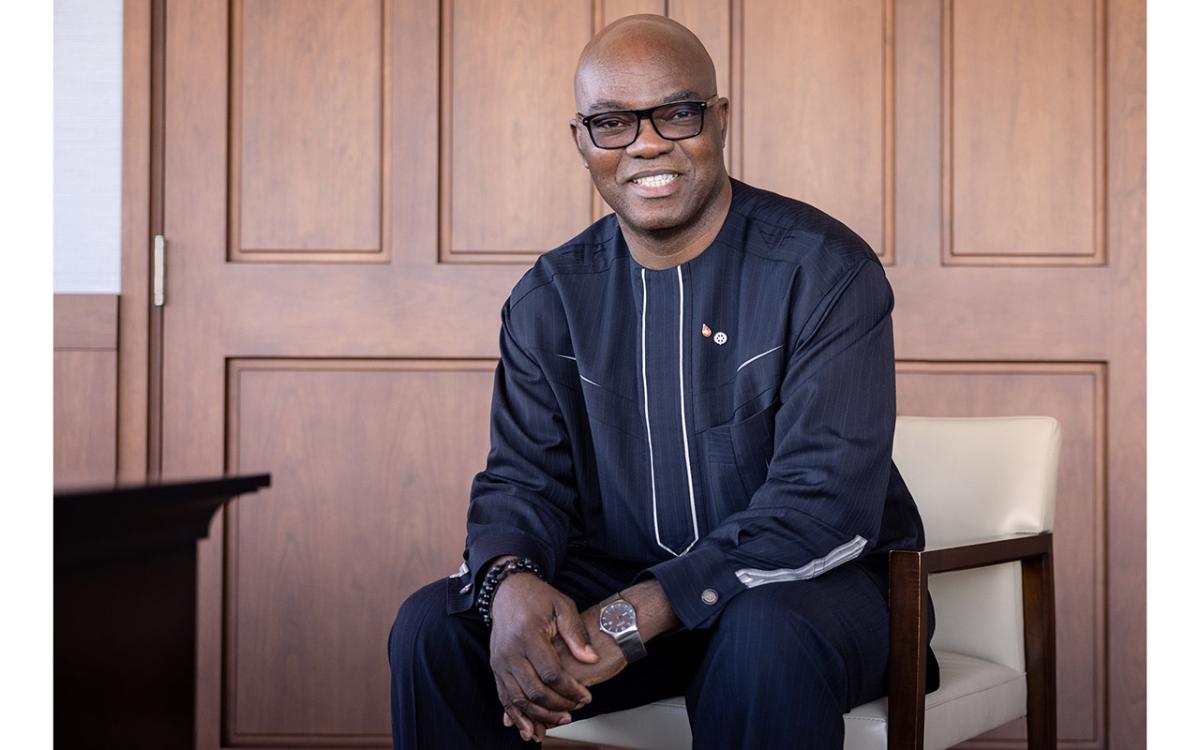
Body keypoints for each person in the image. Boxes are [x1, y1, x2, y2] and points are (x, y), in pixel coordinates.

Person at [389, 14, 938, 749]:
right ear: (582, 141)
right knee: (435, 628)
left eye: (677, 113)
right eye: (612, 122)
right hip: (627, 591)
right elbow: (522, 481)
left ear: (720, 119)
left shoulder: (824, 271)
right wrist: (509, 579)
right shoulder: (550, 298)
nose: (646, 143)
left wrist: (635, 615)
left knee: (760, 638)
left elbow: (821, 504)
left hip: (814, 595)